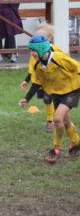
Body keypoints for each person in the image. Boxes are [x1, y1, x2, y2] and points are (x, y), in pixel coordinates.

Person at [26, 35, 80, 164]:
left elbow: (77, 68)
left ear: (42, 49)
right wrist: (26, 99)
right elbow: (37, 83)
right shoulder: (38, 66)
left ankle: (55, 149)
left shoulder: (59, 58)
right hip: (57, 93)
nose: (31, 53)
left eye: (33, 50)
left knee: (57, 119)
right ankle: (76, 144)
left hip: (72, 89)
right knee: (66, 122)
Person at [19, 23, 59, 131]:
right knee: (47, 99)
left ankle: (52, 120)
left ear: (49, 39)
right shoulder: (34, 55)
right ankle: (53, 119)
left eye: (40, 36)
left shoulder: (56, 52)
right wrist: (26, 81)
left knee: (52, 99)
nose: (36, 38)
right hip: (43, 82)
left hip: (57, 82)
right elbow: (34, 73)